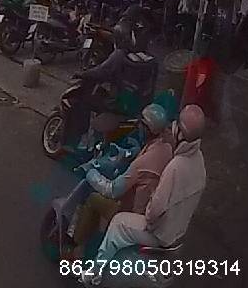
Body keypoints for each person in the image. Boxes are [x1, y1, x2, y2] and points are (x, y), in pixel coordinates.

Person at [86, 105, 207, 283]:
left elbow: (154, 209)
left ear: (181, 133)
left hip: (160, 233)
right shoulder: (198, 163)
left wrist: (90, 173)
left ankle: (93, 274)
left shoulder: (175, 167)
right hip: (178, 231)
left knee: (119, 223)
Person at [65, 104, 173, 261]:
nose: (138, 126)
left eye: (141, 124)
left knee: (94, 199)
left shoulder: (142, 163)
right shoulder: (166, 149)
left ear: (147, 129)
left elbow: (112, 189)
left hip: (133, 211)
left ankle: (76, 249)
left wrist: (90, 173)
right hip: (150, 204)